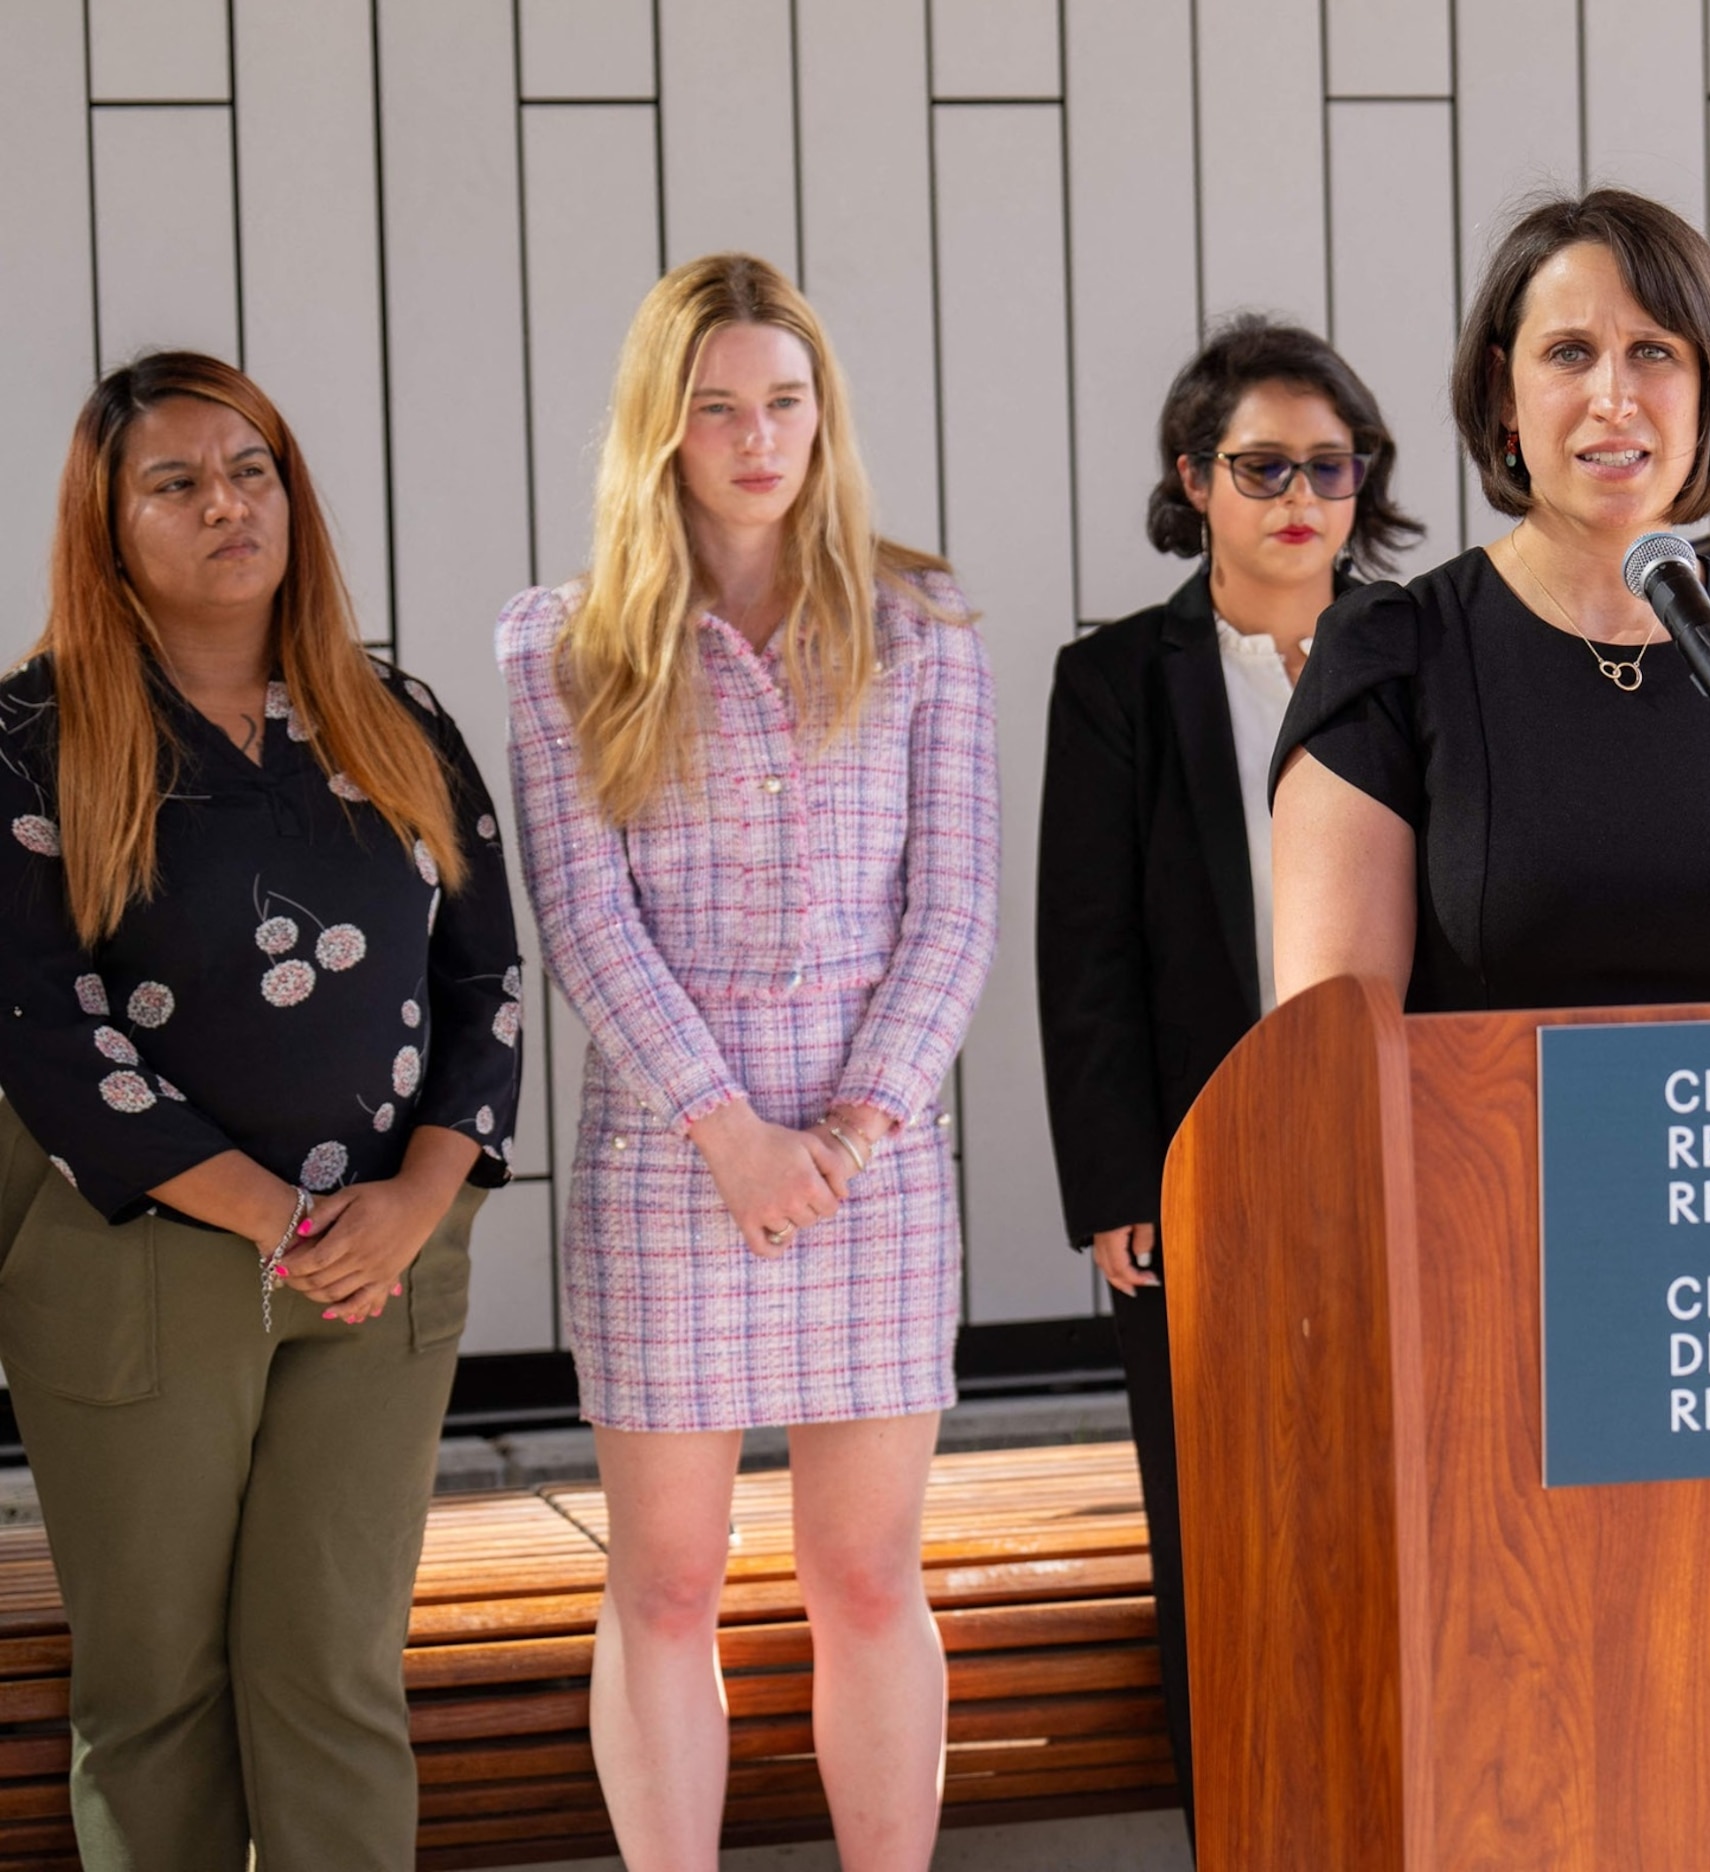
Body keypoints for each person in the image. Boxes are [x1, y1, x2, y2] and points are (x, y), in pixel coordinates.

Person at [498, 253, 997, 1871]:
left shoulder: (921, 627)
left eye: (786, 402)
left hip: (876, 1157)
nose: (758, 436)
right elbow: (587, 921)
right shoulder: (566, 648)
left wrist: (844, 1130)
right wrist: (732, 1136)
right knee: (665, 1579)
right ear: (663, 428)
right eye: (718, 406)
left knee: (864, 1575)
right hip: (671, 1163)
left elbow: (955, 903)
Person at [0, 352, 521, 1867]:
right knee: (156, 1691)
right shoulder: (33, 740)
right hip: (143, 1271)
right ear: (106, 528)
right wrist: (276, 1220)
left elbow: (484, 984)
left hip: (385, 1270)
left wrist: (414, 1206)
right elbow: (44, 1029)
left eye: (252, 470)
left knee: (336, 1680)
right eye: (177, 481)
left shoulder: (393, 714)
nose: (228, 503)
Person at [1036, 315, 1421, 1837]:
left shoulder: (1425, 646)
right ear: (1193, 479)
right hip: (1200, 1165)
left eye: (1333, 466)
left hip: (1398, 1150)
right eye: (1264, 466)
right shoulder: (1118, 682)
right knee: (1218, 1532)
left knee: (1394, 1519)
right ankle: (1241, 1829)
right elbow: (1089, 956)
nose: (1301, 497)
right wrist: (1119, 1183)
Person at [1270, 185, 1710, 1012]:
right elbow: (1334, 1039)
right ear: (1504, 392)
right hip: (1476, 1141)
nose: (1614, 399)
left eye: (1655, 352)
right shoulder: (1393, 659)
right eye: (1570, 353)